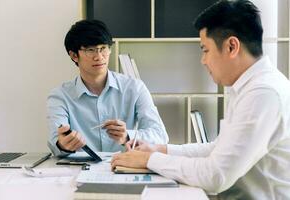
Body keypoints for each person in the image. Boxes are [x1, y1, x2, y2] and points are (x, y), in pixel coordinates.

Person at [111, 0, 290, 199]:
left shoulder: (263, 93)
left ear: (232, 46)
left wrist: (149, 160)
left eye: (205, 50)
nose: (203, 60)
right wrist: (160, 149)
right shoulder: (248, 87)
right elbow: (219, 148)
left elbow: (215, 175)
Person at [47, 19, 168, 157]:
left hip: (125, 167)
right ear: (74, 55)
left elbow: (160, 136)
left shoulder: (134, 88)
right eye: (90, 50)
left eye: (103, 48)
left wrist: (128, 136)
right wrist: (63, 145)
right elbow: (55, 143)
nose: (99, 57)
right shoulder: (60, 96)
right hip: (79, 170)